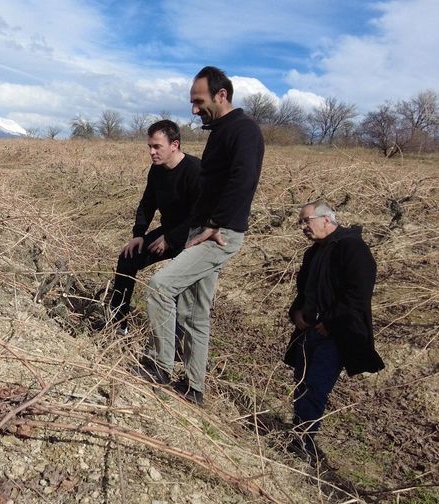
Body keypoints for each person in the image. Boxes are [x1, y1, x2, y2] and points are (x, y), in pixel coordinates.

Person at [135, 66, 264, 407]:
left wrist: (215, 224)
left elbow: (244, 180)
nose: (194, 109)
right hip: (203, 229)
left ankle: (159, 366)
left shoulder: (244, 130)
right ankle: (194, 389)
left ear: (221, 95)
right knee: (194, 313)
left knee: (161, 287)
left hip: (219, 234)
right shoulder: (220, 131)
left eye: (199, 100)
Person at [284, 200, 384, 464]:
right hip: (308, 331)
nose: (303, 227)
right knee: (302, 381)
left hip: (335, 335)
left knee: (317, 384)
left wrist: (330, 322)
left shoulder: (352, 248)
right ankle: (298, 433)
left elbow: (358, 294)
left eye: (307, 221)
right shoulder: (313, 252)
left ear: (327, 219)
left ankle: (304, 439)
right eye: (300, 222)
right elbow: (305, 290)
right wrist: (297, 312)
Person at [109, 120, 201, 334]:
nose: (151, 152)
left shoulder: (195, 171)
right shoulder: (157, 170)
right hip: (167, 231)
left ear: (174, 145)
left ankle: (177, 343)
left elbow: (200, 215)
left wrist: (171, 239)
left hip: (193, 238)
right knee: (127, 259)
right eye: (149, 146)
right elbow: (147, 203)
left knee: (175, 287)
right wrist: (138, 234)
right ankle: (116, 322)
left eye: (157, 146)